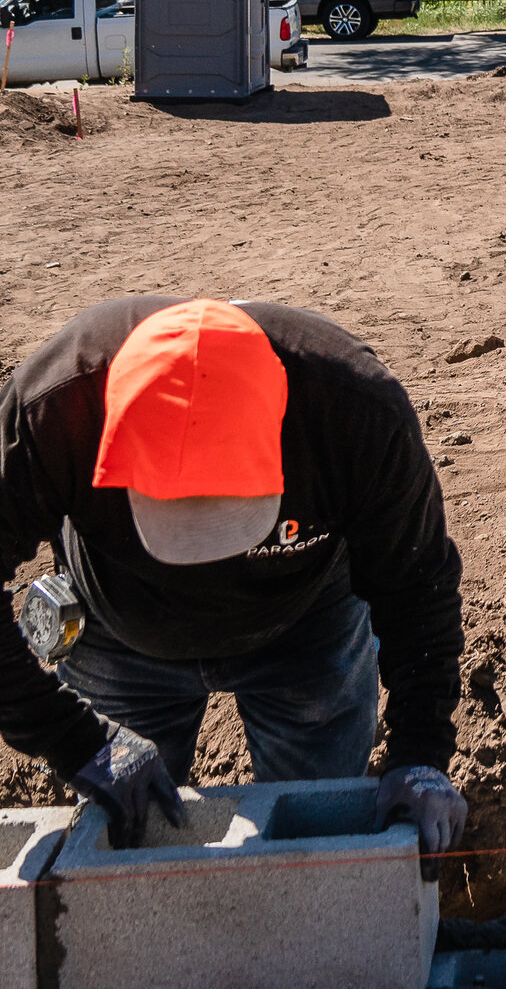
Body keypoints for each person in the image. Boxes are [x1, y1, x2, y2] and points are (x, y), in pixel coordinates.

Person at [0, 296, 467, 855]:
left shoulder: (352, 411)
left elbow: (418, 587)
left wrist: (420, 755)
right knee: (122, 844)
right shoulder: (57, 408)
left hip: (306, 629)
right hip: (119, 632)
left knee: (312, 843)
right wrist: (79, 744)